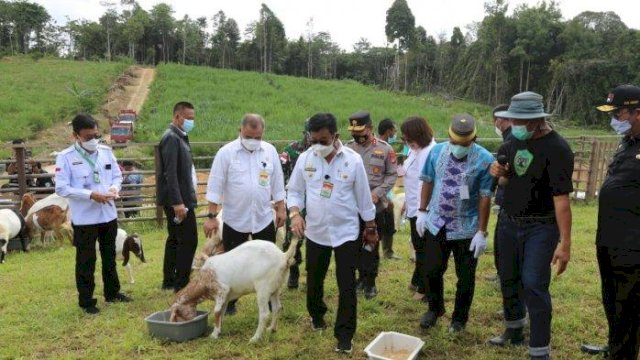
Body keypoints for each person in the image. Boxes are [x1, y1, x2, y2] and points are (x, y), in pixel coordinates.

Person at [488, 91, 574, 360]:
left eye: (522, 121)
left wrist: (565, 243)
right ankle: (513, 329)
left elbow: (561, 200)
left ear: (538, 120)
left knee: (534, 284)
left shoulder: (558, 148)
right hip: (508, 222)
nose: (516, 126)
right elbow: (505, 181)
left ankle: (539, 350)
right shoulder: (512, 141)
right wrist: (499, 173)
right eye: (514, 120)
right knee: (508, 277)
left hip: (541, 226)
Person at [287, 112, 377, 354]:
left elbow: (363, 198)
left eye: (323, 141)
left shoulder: (353, 161)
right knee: (314, 278)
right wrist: (295, 214)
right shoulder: (306, 158)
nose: (318, 145)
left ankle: (344, 335)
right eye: (313, 140)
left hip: (346, 232)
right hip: (316, 232)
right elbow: (294, 191)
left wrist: (370, 227)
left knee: (346, 284)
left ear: (336, 136)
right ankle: (317, 316)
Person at [415, 114, 493, 333]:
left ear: (474, 138)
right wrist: (421, 211)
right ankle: (434, 308)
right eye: (455, 142)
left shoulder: (485, 160)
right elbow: (428, 181)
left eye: (464, 144)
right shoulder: (437, 151)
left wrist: (482, 231)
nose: (459, 147)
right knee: (431, 270)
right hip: (437, 222)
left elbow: (485, 196)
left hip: (466, 227)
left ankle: (459, 319)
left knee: (465, 277)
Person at [204, 113, 286, 315]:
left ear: (262, 133)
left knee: (267, 261)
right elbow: (215, 185)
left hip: (263, 217)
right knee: (233, 264)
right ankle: (230, 303)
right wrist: (212, 216)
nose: (253, 141)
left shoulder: (269, 151)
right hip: (235, 219)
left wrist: (281, 207)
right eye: (249, 136)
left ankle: (268, 300)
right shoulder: (226, 153)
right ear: (240, 131)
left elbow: (277, 182)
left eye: (257, 137)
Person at [580, 84, 640, 359]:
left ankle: (623, 353)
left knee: (628, 304)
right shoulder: (627, 143)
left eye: (618, 113)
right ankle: (615, 345)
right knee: (612, 299)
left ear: (637, 113)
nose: (614, 119)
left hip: (633, 246)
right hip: (610, 241)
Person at [54, 113, 131, 314]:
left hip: (108, 215)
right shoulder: (66, 157)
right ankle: (87, 301)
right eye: (88, 137)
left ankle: (113, 293)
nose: (93, 140)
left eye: (96, 135)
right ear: (75, 136)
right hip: (85, 219)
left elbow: (116, 175)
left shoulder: (105, 152)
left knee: (109, 256)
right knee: (86, 260)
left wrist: (115, 188)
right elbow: (62, 188)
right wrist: (90, 195)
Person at [346, 111, 398, 299]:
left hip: (376, 208)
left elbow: (392, 175)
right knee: (355, 246)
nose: (356, 135)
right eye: (353, 131)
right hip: (352, 208)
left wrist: (377, 193)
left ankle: (370, 282)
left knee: (371, 245)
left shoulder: (384, 149)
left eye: (360, 131)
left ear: (370, 128)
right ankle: (360, 278)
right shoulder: (348, 148)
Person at [157, 101, 199, 293]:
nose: (191, 121)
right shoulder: (172, 138)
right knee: (188, 239)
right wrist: (178, 202)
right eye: (188, 118)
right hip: (179, 201)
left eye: (193, 118)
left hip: (181, 198)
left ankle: (170, 279)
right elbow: (170, 173)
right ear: (177, 117)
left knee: (175, 238)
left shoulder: (179, 136)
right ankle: (181, 283)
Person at [399, 116, 436, 301]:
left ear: (418, 135)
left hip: (424, 208)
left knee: (423, 249)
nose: (406, 142)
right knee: (417, 244)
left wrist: (422, 209)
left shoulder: (429, 152)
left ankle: (424, 289)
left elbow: (425, 183)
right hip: (413, 205)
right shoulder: (415, 150)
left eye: (408, 138)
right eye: (404, 139)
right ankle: (417, 279)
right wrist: (407, 202)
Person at [280, 121, 312, 289]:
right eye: (310, 133)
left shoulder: (324, 149)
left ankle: (313, 275)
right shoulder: (291, 150)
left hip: (316, 202)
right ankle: (294, 272)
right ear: (305, 132)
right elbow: (280, 172)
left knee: (316, 241)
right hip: (295, 201)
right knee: (292, 239)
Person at [487, 103, 512, 283]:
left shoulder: (511, 141)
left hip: (510, 198)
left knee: (503, 238)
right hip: (505, 196)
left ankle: (503, 275)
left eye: (497, 120)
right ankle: (501, 273)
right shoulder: (508, 138)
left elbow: (501, 172)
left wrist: (489, 190)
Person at [377, 118, 400, 260]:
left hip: (386, 191)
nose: (395, 133)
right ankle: (378, 252)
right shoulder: (382, 148)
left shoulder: (385, 147)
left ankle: (388, 251)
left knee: (389, 222)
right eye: (393, 129)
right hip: (379, 192)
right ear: (388, 131)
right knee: (379, 223)